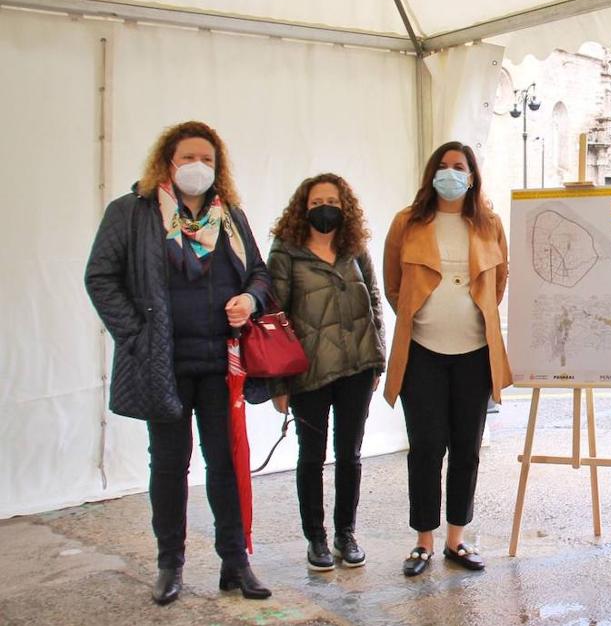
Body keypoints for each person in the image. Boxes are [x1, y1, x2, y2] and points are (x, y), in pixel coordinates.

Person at [85, 121, 272, 605]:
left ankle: (236, 563)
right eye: (189, 157)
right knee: (169, 466)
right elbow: (100, 277)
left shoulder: (229, 216)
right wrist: (136, 334)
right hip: (161, 365)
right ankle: (170, 564)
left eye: (208, 159)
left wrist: (251, 300)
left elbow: (258, 274)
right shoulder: (132, 213)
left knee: (225, 466)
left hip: (217, 363)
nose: (199, 167)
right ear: (167, 162)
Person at [382, 142, 511, 577]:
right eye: (443, 166)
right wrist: (424, 316)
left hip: (475, 354)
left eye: (459, 167)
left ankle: (456, 539)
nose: (451, 173)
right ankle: (422, 541)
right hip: (422, 354)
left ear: (472, 176)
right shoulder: (408, 222)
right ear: (430, 174)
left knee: (466, 449)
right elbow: (394, 285)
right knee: (425, 448)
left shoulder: (489, 224)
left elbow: (500, 280)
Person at [268, 174, 386, 572]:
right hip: (308, 373)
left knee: (349, 455)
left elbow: (374, 302)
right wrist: (279, 384)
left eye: (332, 200)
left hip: (356, 368)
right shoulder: (286, 254)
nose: (325, 207)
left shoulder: (355, 250)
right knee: (311, 457)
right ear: (304, 208)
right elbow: (275, 318)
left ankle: (345, 534)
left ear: (345, 206)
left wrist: (377, 358)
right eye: (316, 201)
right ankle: (316, 539)